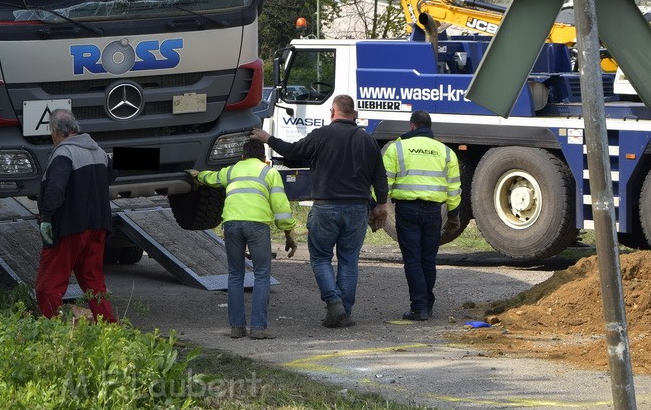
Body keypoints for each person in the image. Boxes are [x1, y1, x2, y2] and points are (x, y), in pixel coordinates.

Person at [252, 94, 388, 328]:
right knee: (349, 260)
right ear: (353, 114)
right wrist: (382, 204)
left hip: (326, 207)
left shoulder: (322, 135)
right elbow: (379, 177)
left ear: (333, 112)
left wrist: (268, 138)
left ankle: (334, 303)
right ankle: (344, 312)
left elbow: (293, 152)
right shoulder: (367, 140)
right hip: (357, 208)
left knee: (321, 257)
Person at [189, 139, 297, 340]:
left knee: (235, 276)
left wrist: (198, 175)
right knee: (262, 275)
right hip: (257, 226)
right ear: (264, 158)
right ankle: (258, 328)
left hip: (231, 225)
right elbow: (280, 206)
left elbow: (213, 178)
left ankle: (237, 328)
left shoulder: (232, 170)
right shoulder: (269, 172)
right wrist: (288, 232)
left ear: (242, 156)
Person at [34, 108, 118, 323]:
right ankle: (109, 326)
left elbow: (54, 191)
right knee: (93, 279)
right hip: (98, 225)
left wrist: (46, 218)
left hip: (70, 227)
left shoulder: (64, 153)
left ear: (55, 132)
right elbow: (111, 174)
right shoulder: (98, 150)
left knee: (49, 283)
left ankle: (50, 327)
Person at [383, 110, 461, 321]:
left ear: (412, 126)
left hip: (408, 210)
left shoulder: (397, 148)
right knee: (428, 259)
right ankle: (427, 304)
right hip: (434, 212)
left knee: (413, 259)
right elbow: (454, 188)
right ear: (430, 127)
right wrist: (453, 214)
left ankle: (420, 307)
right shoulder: (446, 152)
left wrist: (377, 206)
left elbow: (386, 182)